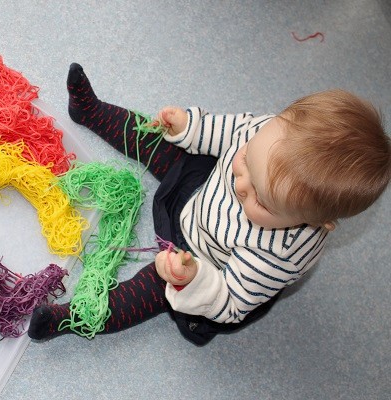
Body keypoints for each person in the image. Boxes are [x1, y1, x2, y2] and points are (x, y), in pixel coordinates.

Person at [28, 63, 391, 345]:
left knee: (148, 292)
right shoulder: (269, 134)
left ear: (316, 220)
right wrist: (191, 127)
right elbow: (232, 130)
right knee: (159, 142)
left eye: (260, 199)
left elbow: (230, 302)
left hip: (205, 263)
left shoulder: (277, 256)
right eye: (248, 160)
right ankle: (91, 111)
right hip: (200, 191)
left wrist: (194, 280)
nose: (241, 182)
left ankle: (72, 317)